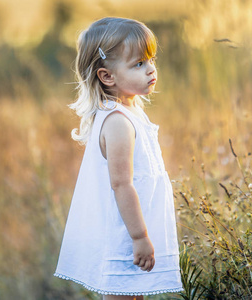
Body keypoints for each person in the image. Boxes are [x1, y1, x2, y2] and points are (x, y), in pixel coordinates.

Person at [54, 17, 183, 299]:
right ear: (107, 76)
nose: (151, 70)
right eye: (138, 64)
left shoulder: (128, 112)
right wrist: (139, 237)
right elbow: (121, 185)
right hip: (124, 235)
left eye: (151, 60)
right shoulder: (118, 123)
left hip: (131, 229)